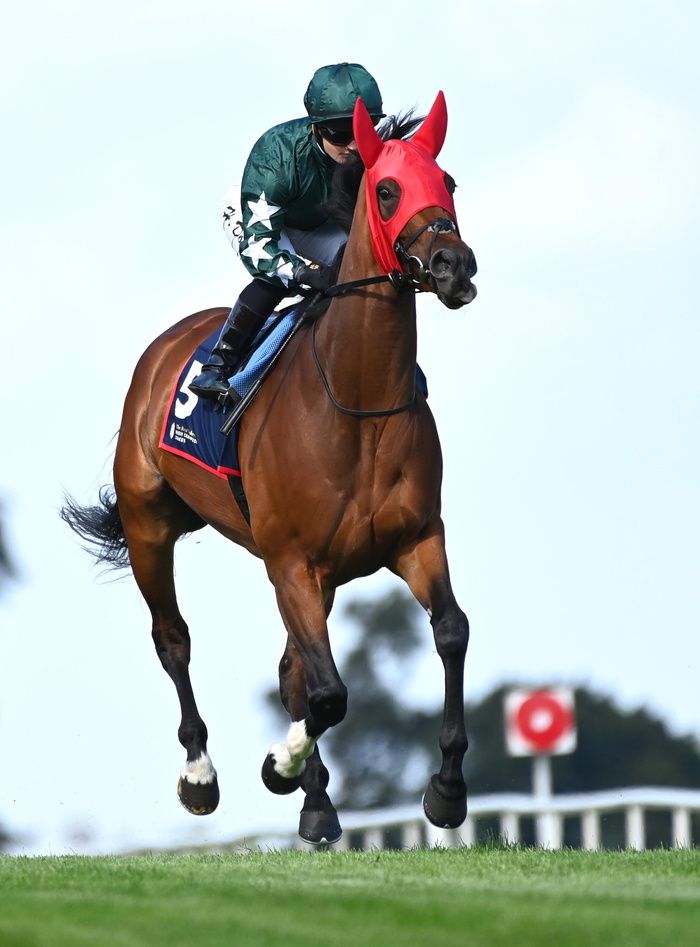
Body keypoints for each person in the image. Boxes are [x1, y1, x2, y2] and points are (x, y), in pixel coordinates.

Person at [189, 62, 385, 402]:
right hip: (260, 218)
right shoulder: (277, 156)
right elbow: (260, 248)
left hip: (318, 223)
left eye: (363, 129)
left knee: (362, 272)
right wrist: (305, 271)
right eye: (339, 132)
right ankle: (217, 366)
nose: (353, 145)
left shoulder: (369, 155)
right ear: (316, 128)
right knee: (279, 278)